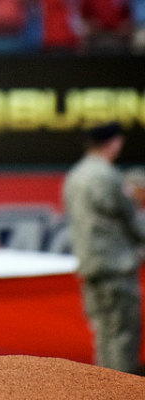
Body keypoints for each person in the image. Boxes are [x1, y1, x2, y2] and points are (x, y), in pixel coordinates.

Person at [62, 121, 144, 373]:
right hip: (116, 268)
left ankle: (104, 391)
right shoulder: (108, 176)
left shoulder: (75, 175)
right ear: (114, 142)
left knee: (104, 338)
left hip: (91, 268)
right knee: (121, 339)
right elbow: (130, 220)